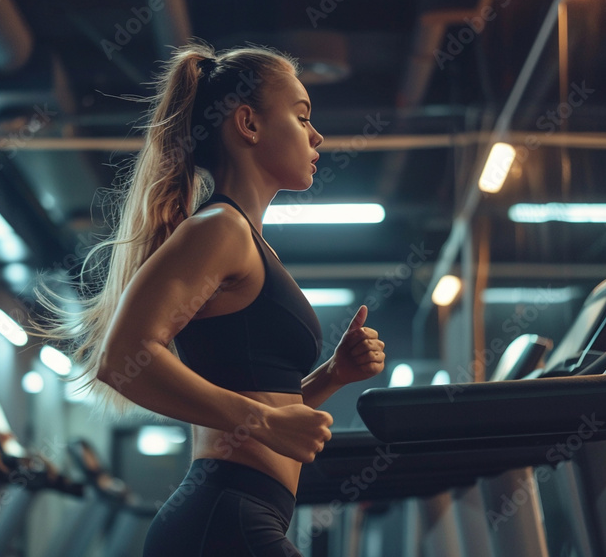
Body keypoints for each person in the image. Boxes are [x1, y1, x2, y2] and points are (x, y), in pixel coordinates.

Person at [40, 41, 386, 556]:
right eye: (301, 115)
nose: (317, 135)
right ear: (248, 124)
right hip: (224, 517)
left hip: (238, 517)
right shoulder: (220, 228)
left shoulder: (245, 239)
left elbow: (256, 401)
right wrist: (267, 421)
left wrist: (331, 377)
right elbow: (122, 360)